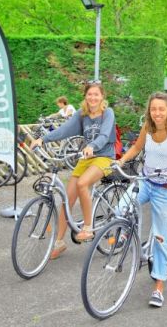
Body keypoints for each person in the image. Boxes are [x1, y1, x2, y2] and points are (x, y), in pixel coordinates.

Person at [117, 92, 167, 308]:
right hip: (145, 182)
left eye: (161, 109)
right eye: (153, 109)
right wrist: (121, 160)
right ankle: (126, 233)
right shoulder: (147, 128)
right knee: (122, 206)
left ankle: (159, 286)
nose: (157, 113)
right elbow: (136, 148)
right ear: (149, 111)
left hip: (165, 188)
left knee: (161, 239)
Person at [30, 82, 116, 258]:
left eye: (96, 95)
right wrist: (43, 140)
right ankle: (59, 242)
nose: (93, 98)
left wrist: (92, 145)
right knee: (66, 200)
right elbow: (64, 130)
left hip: (104, 157)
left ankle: (88, 226)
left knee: (83, 183)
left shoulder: (108, 113)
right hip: (86, 157)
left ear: (102, 97)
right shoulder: (82, 114)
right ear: (85, 96)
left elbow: (105, 135)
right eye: (89, 94)